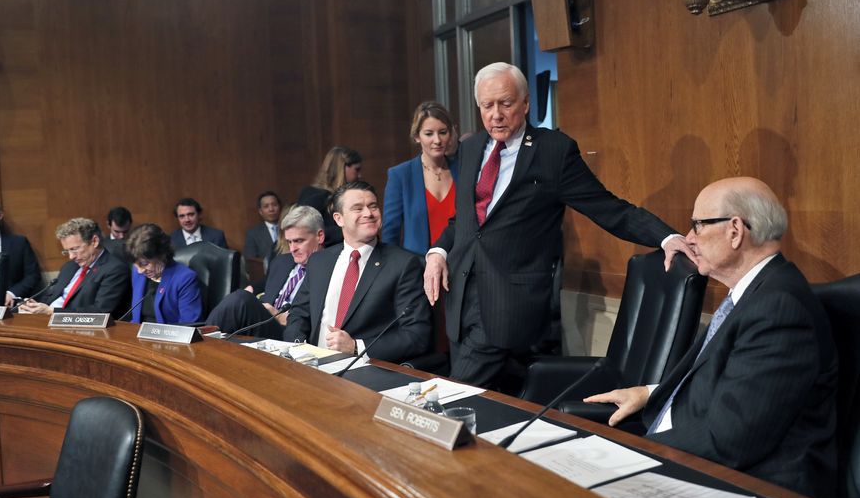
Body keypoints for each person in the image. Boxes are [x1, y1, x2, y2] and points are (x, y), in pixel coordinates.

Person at [423, 62, 693, 388]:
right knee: (491, 406)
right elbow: (464, 221)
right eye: (487, 105)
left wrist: (665, 236)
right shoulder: (469, 148)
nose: (496, 114)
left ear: (525, 104)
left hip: (511, 304)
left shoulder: (554, 151)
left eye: (506, 104)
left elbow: (609, 209)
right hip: (461, 300)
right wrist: (437, 251)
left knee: (454, 397)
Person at [584, 177, 837, 498]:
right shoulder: (753, 293)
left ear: (735, 231)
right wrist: (651, 393)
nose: (689, 239)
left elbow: (731, 440)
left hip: (754, 488)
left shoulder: (778, 308)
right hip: (694, 456)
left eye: (698, 225)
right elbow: (736, 385)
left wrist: (631, 453)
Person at [284, 182, 431, 363]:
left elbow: (416, 335)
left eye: (373, 206)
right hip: (310, 365)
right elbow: (299, 313)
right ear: (339, 219)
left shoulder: (403, 264)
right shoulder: (320, 261)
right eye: (357, 208)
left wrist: (356, 347)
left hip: (359, 369)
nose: (368, 213)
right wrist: (297, 349)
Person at [206, 206, 325, 339]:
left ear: (319, 236)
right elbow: (265, 287)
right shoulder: (281, 262)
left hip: (291, 332)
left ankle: (200, 342)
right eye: (289, 242)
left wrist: (281, 316)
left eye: (299, 241)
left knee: (240, 300)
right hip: (264, 325)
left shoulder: (330, 270)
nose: (292, 249)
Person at [382, 101, 460, 255]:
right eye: (429, 133)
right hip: (418, 270)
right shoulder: (401, 175)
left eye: (443, 132)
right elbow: (390, 234)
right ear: (417, 136)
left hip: (462, 266)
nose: (437, 140)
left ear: (450, 134)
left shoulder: (463, 168)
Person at [18, 218, 130, 317]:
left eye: (74, 249)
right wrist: (34, 306)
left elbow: (100, 311)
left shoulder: (115, 269)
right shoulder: (69, 267)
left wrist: (51, 312)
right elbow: (50, 297)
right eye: (67, 251)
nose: (71, 257)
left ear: (94, 241)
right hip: (49, 322)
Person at [124, 223, 203, 325]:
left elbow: (190, 324)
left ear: (162, 255)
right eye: (136, 264)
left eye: (144, 264)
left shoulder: (185, 278)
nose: (140, 270)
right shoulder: (138, 273)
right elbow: (135, 319)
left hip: (169, 338)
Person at [297, 146, 362, 247]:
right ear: (342, 167)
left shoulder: (348, 196)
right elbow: (304, 228)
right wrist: (349, 231)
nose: (359, 175)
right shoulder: (314, 195)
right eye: (356, 170)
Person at [0, 198, 42, 307]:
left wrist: (12, 293)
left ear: (0, 215)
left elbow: (33, 275)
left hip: (10, 306)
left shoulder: (19, 243)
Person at [243, 191, 282, 261]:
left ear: (280, 207)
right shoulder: (253, 234)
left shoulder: (288, 229)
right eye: (266, 206)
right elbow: (251, 261)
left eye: (274, 205)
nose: (271, 209)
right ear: (261, 211)